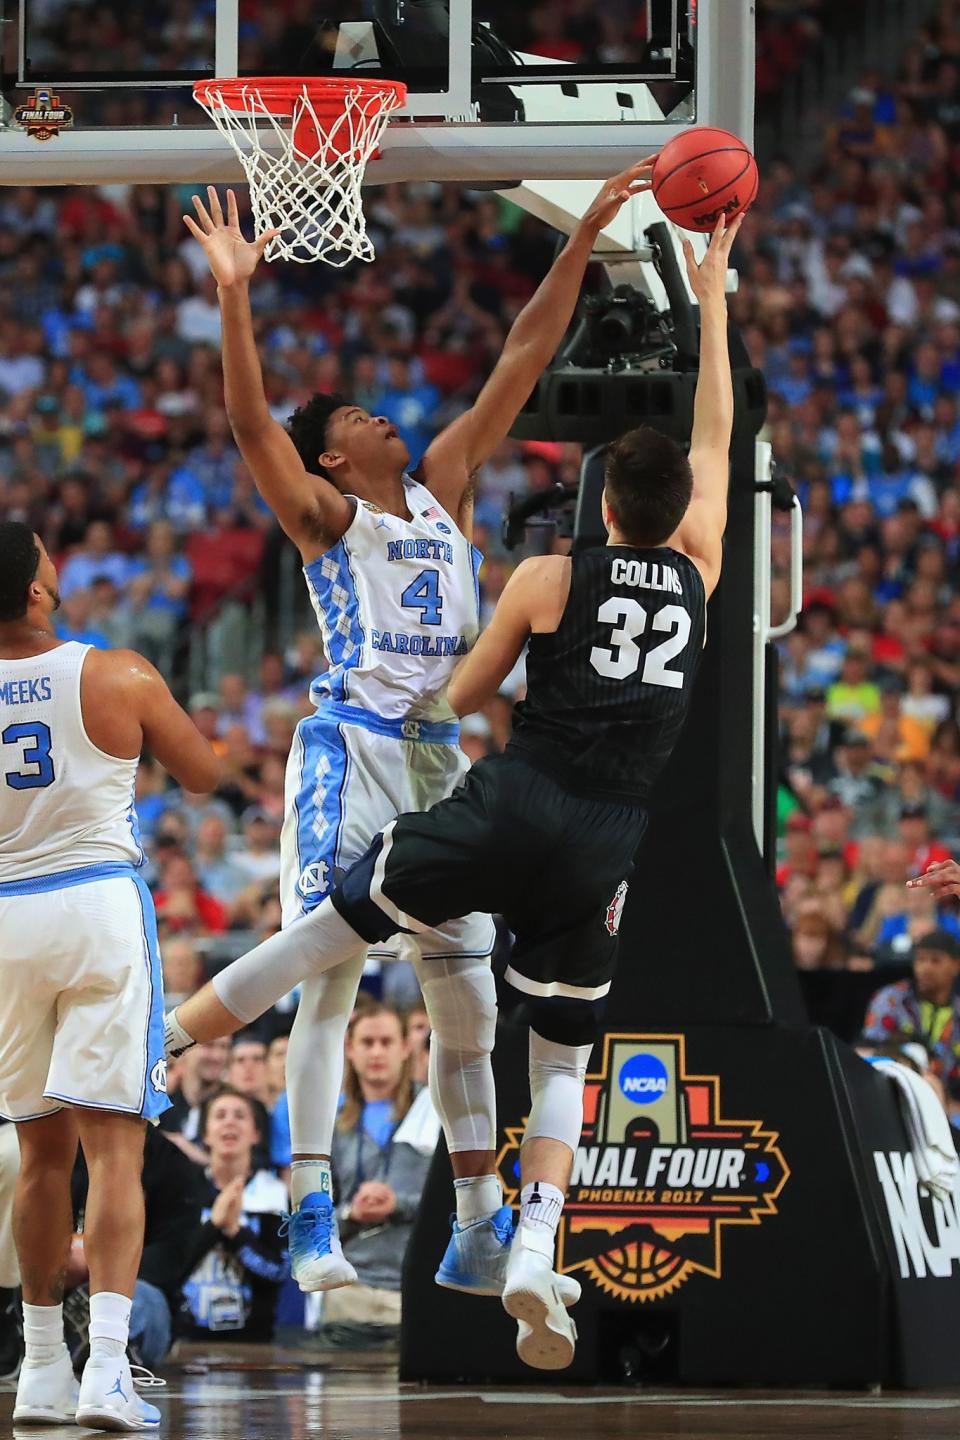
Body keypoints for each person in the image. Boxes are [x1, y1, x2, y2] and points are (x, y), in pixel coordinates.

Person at [165, 216, 739, 1369]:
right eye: (355, 420)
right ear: (331, 458)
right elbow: (244, 422)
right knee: (326, 977)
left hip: (442, 759)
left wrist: (581, 236)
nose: (381, 418)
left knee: (465, 994)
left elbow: (524, 354)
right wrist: (235, 294)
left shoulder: (441, 488)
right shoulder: (329, 516)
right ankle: (315, 1211)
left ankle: (481, 1227)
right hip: (351, 748)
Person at [0, 520, 220, 1430]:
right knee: (115, 1149)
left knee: (37, 1154)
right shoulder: (116, 672)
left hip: (4, 915)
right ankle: (107, 1376)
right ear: (40, 590)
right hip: (93, 903)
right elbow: (204, 772)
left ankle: (43, 1367)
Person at [322, 1004, 440, 1344]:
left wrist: (397, 1203)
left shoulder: (434, 1111)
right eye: (367, 1042)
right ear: (350, 1048)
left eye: (386, 1042)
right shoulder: (332, 1123)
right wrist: (350, 1212)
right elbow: (312, 1211)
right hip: (349, 1290)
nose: (376, 1052)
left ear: (406, 1047)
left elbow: (452, 1201)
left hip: (413, 1287)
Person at [177, 1087, 289, 1343]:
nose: (229, 1121)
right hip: (186, 1341)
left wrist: (235, 1232)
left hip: (254, 1345)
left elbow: (278, 1272)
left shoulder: (272, 1194)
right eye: (220, 1115)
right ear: (205, 1134)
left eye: (239, 1115)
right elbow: (171, 1268)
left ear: (256, 1134)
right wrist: (214, 1226)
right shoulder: (184, 1192)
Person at [862, 928, 960, 1095]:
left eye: (935, 961)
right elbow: (867, 1050)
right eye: (920, 960)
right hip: (893, 1095)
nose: (925, 968)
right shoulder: (890, 1000)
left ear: (956, 965)